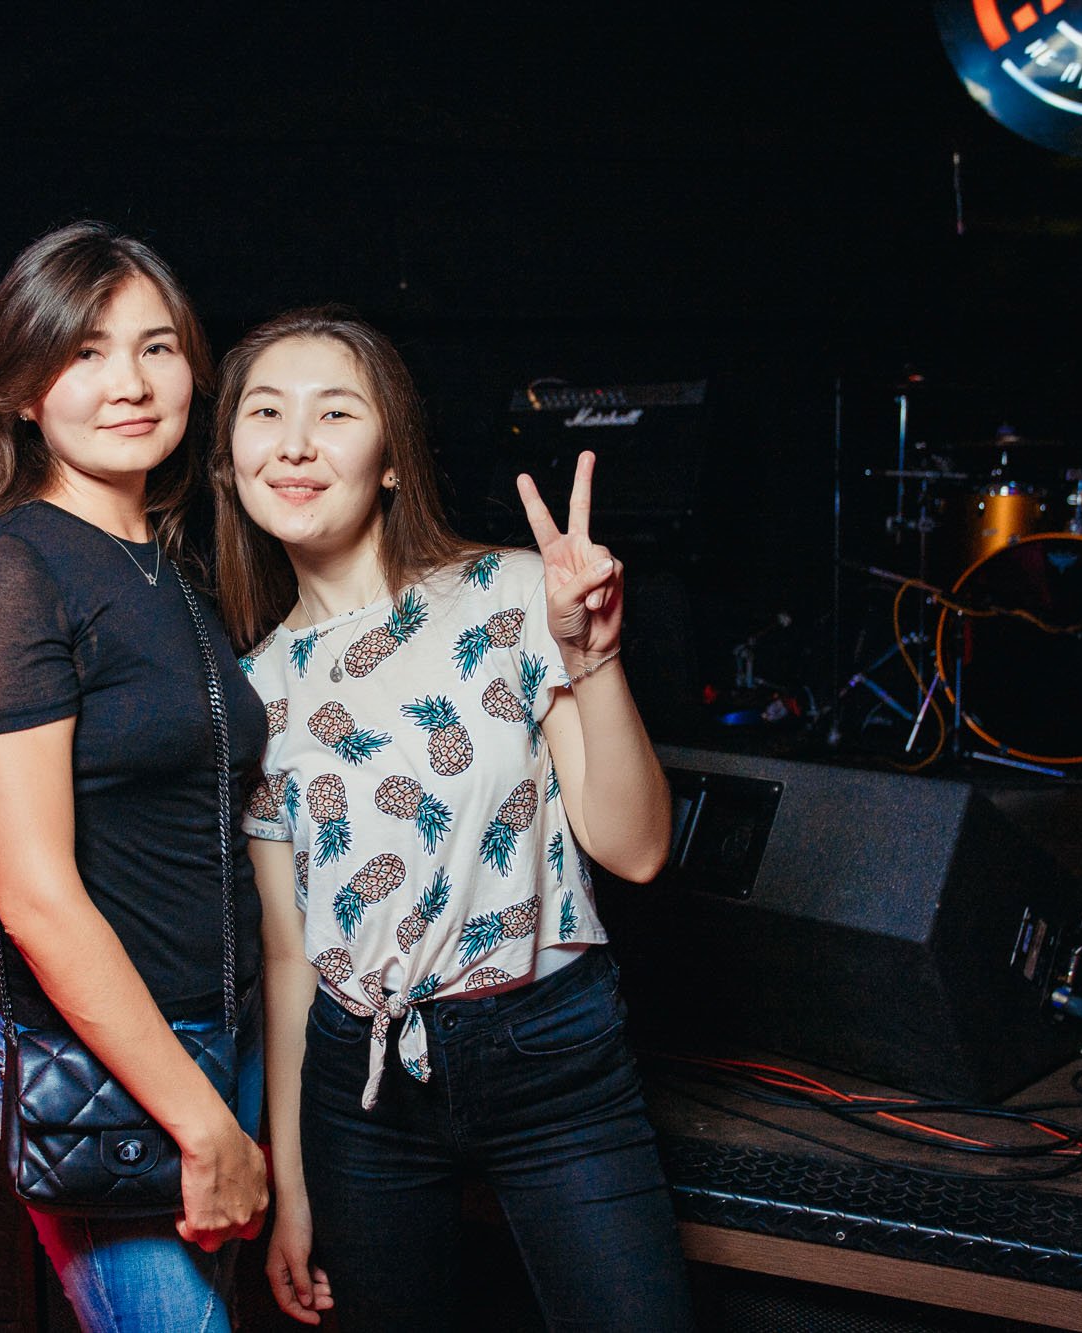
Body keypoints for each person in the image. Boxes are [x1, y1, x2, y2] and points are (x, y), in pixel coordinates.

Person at [214, 308, 694, 1329]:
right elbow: (289, 957)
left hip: (549, 1053)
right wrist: (292, 1185)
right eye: (265, 412)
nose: (294, 443)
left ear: (391, 458)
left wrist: (596, 657)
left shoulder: (513, 596)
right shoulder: (253, 692)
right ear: (231, 459)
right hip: (360, 1087)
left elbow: (637, 849)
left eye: (333, 412)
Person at [0, 221, 269, 1332]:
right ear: (24, 390)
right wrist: (200, 1123)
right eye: (84, 352)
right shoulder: (7, 569)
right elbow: (35, 896)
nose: (130, 382)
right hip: (109, 1064)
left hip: (225, 1035)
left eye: (157, 347)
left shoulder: (175, 569)